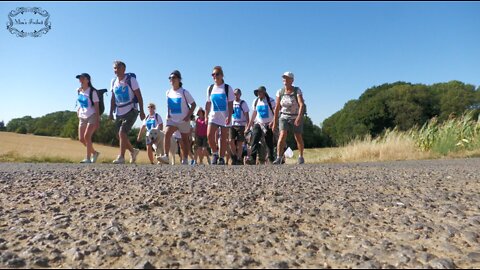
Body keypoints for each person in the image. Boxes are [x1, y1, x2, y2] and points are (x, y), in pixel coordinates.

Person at [109, 60, 145, 164]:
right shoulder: (113, 81)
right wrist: (111, 112)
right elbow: (113, 98)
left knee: (122, 132)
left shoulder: (131, 80)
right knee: (119, 135)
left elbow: (139, 95)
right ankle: (133, 151)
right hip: (119, 111)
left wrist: (142, 111)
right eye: (115, 68)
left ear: (124, 69)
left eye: (119, 68)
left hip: (131, 110)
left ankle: (121, 157)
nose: (116, 70)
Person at [158, 70, 196, 165]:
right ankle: (166, 156)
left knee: (184, 140)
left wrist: (188, 116)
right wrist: (168, 114)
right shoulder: (168, 92)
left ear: (179, 79)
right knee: (167, 133)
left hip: (183, 120)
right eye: (170, 78)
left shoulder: (184, 92)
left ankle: (185, 159)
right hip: (172, 120)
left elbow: (193, 104)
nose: (172, 79)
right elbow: (168, 105)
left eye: (174, 77)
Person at [272, 72, 305, 165]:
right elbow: (277, 107)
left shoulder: (297, 90)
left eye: (287, 78)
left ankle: (301, 156)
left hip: (295, 116)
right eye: (284, 78)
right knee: (282, 135)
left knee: (297, 136)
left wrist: (299, 117)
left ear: (292, 80)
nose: (285, 80)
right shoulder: (280, 92)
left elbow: (301, 104)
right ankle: (279, 157)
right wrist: (274, 122)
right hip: (284, 116)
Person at [205, 66, 234, 165]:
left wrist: (229, 116)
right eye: (213, 74)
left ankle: (221, 157)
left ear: (222, 75)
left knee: (223, 138)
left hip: (224, 116)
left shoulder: (227, 88)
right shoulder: (210, 88)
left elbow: (230, 103)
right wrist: (205, 115)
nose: (215, 76)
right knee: (209, 135)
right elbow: (208, 103)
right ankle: (215, 153)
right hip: (213, 116)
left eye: (217, 74)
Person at [245, 86, 276, 165]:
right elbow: (254, 114)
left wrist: (273, 122)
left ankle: (271, 159)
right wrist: (248, 127)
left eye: (260, 92)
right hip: (258, 123)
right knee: (254, 139)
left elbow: (276, 113)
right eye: (257, 92)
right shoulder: (255, 101)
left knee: (269, 141)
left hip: (269, 123)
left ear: (264, 93)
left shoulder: (271, 101)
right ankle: (252, 158)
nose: (258, 94)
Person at [76, 73, 100, 163]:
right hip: (82, 116)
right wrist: (78, 109)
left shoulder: (92, 91)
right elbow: (81, 102)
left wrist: (97, 120)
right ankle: (95, 153)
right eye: (79, 79)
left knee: (87, 136)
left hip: (92, 115)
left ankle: (88, 158)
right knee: (81, 139)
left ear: (87, 80)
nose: (80, 80)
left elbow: (97, 106)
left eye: (82, 78)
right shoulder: (79, 90)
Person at [230, 88, 250, 165]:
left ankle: (238, 159)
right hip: (232, 124)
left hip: (241, 125)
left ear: (240, 94)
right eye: (234, 94)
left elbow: (246, 114)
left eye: (237, 94)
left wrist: (247, 125)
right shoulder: (231, 103)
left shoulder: (243, 103)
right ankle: (235, 156)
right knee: (230, 141)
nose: (236, 95)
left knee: (239, 143)